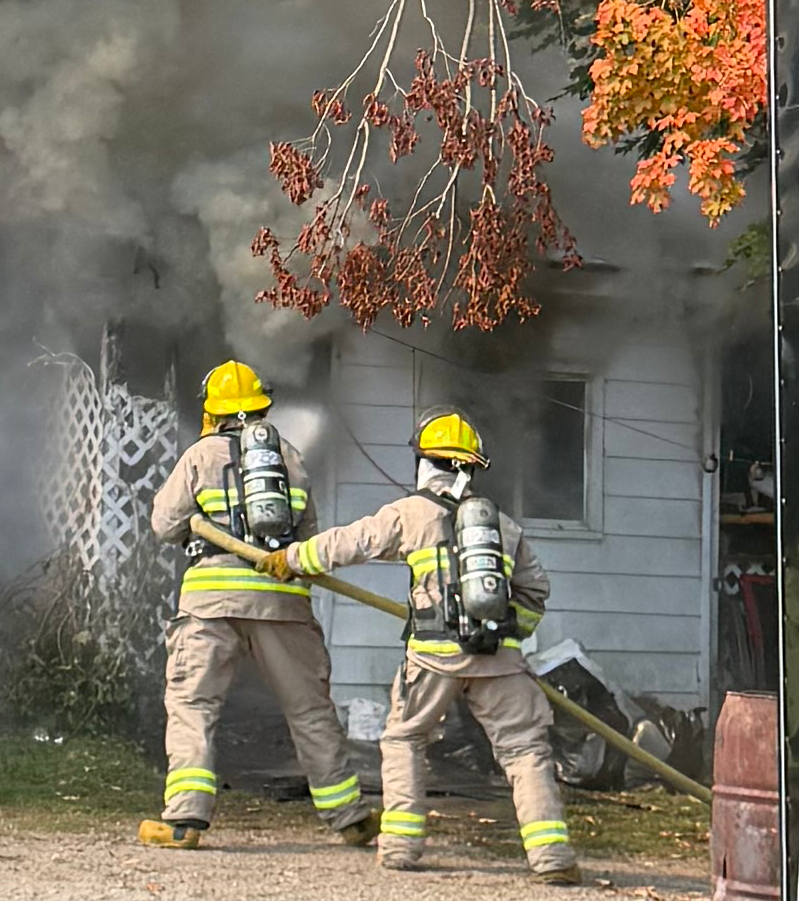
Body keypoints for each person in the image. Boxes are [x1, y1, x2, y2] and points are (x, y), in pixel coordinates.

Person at [285, 412, 577, 883]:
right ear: (472, 468)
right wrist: (502, 634)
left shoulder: (410, 514)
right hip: (500, 662)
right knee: (526, 751)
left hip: (433, 658)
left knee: (405, 739)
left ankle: (401, 846)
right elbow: (535, 591)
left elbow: (352, 543)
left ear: (424, 462)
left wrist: (291, 558)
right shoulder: (503, 526)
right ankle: (553, 857)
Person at [138, 359, 371, 848]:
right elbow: (307, 540)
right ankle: (349, 817)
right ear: (262, 407)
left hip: (211, 602)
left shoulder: (200, 456)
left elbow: (164, 524)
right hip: (283, 603)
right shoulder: (291, 458)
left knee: (194, 706)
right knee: (310, 710)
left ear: (214, 411)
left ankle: (185, 820)